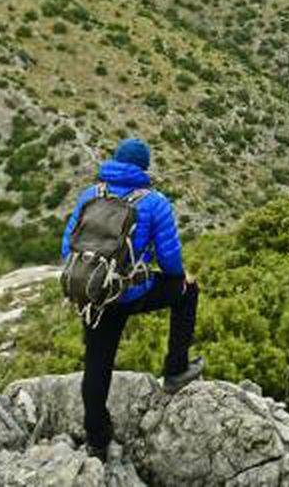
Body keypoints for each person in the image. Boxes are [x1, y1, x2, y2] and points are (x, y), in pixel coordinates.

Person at [62, 137, 202, 460]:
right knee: (187, 293)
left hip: (95, 294)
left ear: (115, 161)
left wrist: (94, 278)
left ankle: (97, 440)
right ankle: (176, 370)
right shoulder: (154, 202)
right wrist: (180, 278)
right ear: (143, 167)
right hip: (131, 292)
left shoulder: (90, 194)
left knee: (97, 364)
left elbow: (68, 245)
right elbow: (169, 257)